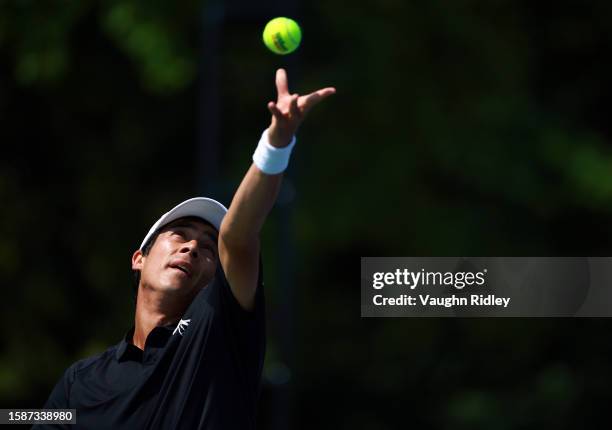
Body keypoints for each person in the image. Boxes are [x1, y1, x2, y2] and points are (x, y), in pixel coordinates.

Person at [35, 68, 335, 429]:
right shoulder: (78, 382)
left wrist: (276, 144)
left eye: (208, 247)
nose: (192, 248)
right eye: (179, 235)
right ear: (139, 258)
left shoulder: (219, 327)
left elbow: (238, 237)